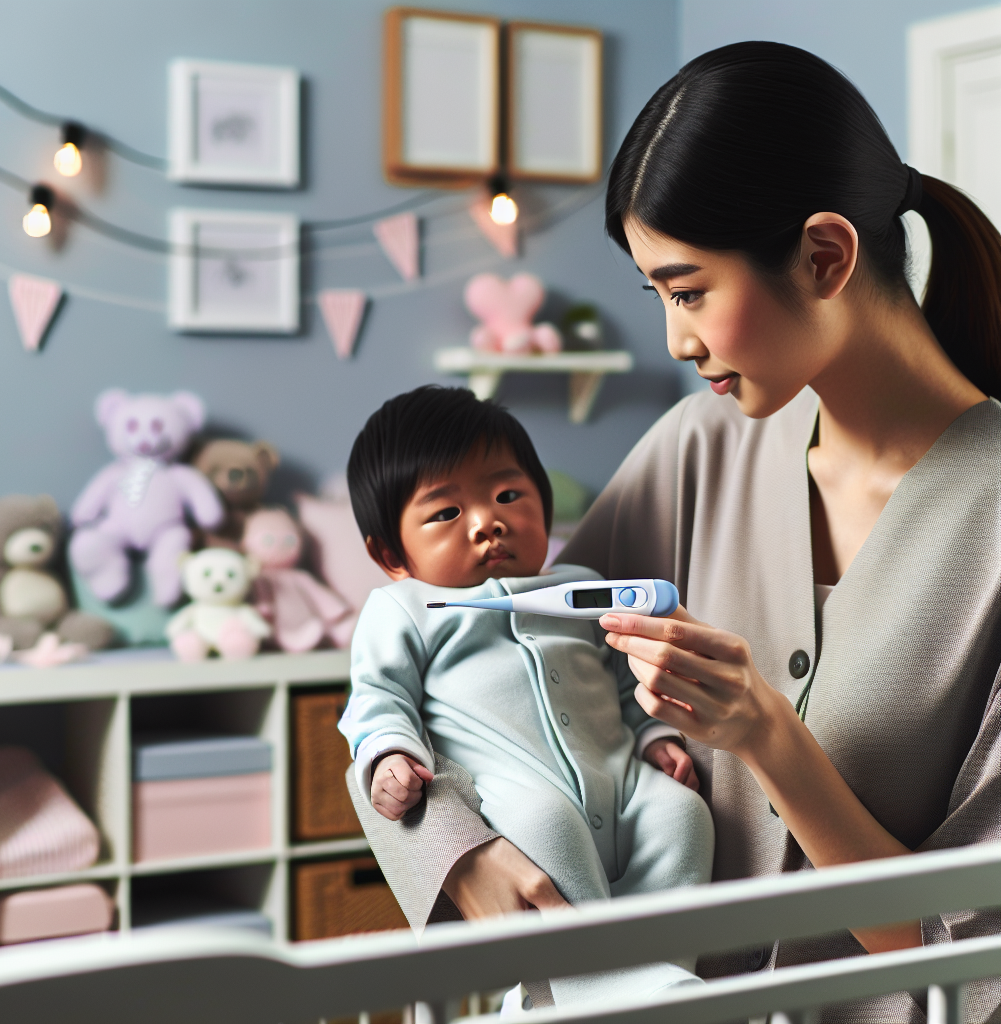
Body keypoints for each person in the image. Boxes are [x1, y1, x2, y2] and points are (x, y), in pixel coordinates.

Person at [349, 41, 1001, 1022]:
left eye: (689, 291)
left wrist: (770, 738)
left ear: (825, 256)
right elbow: (448, 656)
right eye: (655, 297)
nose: (675, 341)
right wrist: (459, 854)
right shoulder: (699, 444)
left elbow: (966, 957)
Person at [339, 385, 714, 1006]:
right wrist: (387, 755)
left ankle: (657, 984)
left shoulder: (584, 587)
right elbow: (376, 697)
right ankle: (596, 989)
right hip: (518, 791)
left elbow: (625, 677)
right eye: (445, 513)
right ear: (390, 554)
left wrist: (655, 737)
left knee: (682, 816)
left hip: (619, 778)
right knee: (546, 825)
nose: (488, 520)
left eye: (508, 495)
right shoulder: (405, 609)